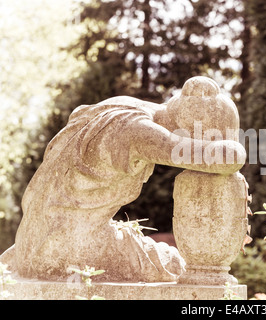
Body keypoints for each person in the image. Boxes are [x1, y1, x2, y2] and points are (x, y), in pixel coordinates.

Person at [0, 76, 246, 282]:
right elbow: (221, 158)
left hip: (33, 243)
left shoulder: (123, 107)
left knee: (153, 252)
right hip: (66, 250)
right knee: (171, 263)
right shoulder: (134, 129)